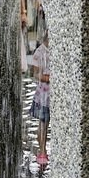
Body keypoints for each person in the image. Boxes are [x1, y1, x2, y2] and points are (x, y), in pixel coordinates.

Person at [29, 28, 51, 167]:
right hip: (43, 94)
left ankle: (43, 150)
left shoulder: (56, 50)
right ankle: (42, 150)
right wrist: (47, 78)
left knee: (46, 123)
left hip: (51, 94)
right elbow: (35, 74)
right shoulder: (39, 52)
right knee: (43, 123)